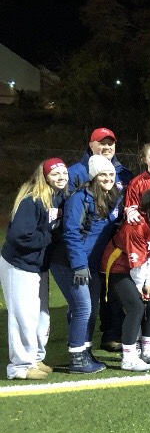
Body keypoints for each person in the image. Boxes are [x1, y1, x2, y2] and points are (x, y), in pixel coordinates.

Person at [51, 155, 121, 373]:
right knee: (82, 308)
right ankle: (76, 358)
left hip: (91, 264)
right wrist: (79, 265)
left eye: (111, 174)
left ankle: (84, 350)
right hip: (69, 262)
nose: (109, 178)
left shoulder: (113, 196)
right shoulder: (79, 198)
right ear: (93, 177)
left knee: (90, 308)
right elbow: (71, 233)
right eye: (103, 174)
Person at [1, 158, 68, 380]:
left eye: (64, 173)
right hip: (19, 264)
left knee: (41, 315)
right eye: (55, 174)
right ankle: (19, 367)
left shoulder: (57, 197)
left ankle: (35, 357)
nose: (61, 178)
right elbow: (19, 236)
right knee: (23, 316)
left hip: (37, 266)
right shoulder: (32, 200)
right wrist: (49, 237)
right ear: (45, 177)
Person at [101, 187, 150, 372]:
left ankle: (147, 351)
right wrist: (142, 286)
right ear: (149, 207)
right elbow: (137, 262)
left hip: (142, 267)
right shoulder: (137, 225)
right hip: (119, 265)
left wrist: (149, 283)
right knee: (136, 307)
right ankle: (128, 357)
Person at [67, 127, 134, 192]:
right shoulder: (74, 173)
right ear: (91, 145)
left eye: (110, 144)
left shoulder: (125, 174)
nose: (107, 147)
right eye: (102, 143)